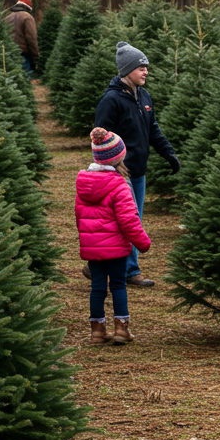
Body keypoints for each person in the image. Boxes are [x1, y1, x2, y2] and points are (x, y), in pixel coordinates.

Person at [89, 41, 180, 287]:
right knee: (125, 220)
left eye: (146, 67)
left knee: (133, 219)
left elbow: (153, 129)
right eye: (141, 67)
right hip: (119, 172)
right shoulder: (111, 100)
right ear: (127, 69)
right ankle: (130, 271)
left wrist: (169, 154)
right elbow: (100, 135)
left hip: (138, 172)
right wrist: (110, 166)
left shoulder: (144, 96)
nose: (145, 71)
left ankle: (98, 264)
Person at [76, 128, 152, 345]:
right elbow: (129, 221)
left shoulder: (84, 182)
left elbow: (79, 216)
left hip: (93, 247)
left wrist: (87, 239)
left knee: (97, 287)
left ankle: (97, 332)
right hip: (117, 248)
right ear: (119, 157)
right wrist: (143, 243)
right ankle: (121, 330)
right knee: (118, 285)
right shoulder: (119, 184)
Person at [4, 0, 38, 78]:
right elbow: (31, 38)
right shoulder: (27, 17)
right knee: (25, 79)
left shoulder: (7, 17)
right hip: (23, 53)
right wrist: (35, 56)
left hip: (9, 52)